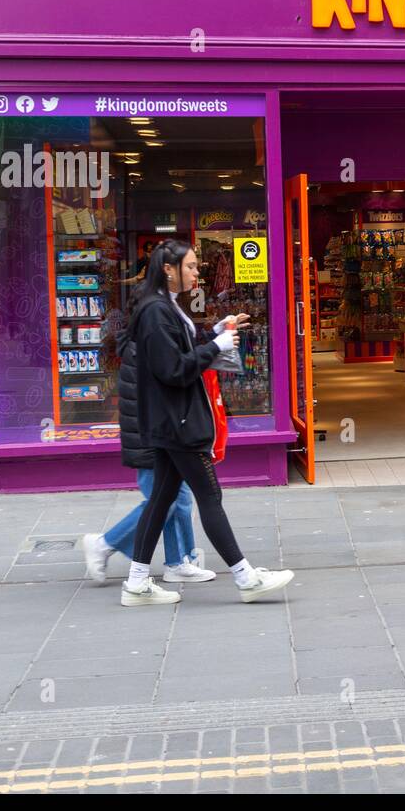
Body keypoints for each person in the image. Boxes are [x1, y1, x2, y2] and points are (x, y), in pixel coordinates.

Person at [120, 239, 294, 606]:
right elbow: (172, 369)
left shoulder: (163, 305)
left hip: (171, 420)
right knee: (209, 496)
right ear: (168, 269)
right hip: (179, 422)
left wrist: (215, 334)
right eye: (191, 266)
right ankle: (246, 577)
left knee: (161, 498)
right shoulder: (156, 310)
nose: (197, 272)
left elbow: (178, 353)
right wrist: (216, 347)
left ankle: (136, 582)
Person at [81, 324, 215, 586]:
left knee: (180, 497)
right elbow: (171, 375)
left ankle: (179, 561)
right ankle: (105, 543)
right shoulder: (149, 341)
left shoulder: (149, 336)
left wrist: (212, 337)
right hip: (153, 437)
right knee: (166, 500)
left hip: (161, 433)